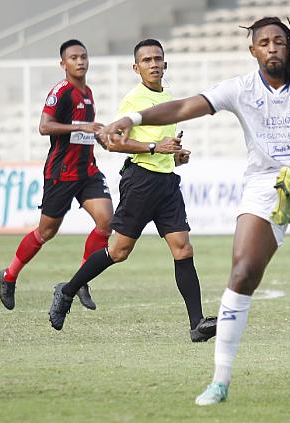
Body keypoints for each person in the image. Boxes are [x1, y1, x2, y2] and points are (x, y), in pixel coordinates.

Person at [51, 17, 290, 405]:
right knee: (239, 272)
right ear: (253, 51)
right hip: (250, 185)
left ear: (289, 45)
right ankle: (218, 379)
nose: (272, 47)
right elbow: (183, 108)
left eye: (278, 41)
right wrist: (131, 121)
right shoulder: (237, 89)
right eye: (263, 42)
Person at [47, 39, 217, 341]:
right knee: (119, 251)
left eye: (158, 59)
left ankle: (197, 325)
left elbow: (160, 148)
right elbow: (114, 142)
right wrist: (154, 147)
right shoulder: (133, 100)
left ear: (165, 64)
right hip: (140, 182)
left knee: (183, 248)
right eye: (147, 60)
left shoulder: (169, 97)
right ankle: (68, 290)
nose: (154, 64)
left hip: (166, 183)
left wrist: (174, 156)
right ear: (135, 67)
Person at [0, 39, 111, 311]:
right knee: (46, 232)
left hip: (88, 171)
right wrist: (82, 126)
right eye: (73, 57)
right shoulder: (61, 92)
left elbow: (83, 133)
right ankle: (9, 275)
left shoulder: (89, 92)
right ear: (63, 64)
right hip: (62, 173)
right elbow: (44, 127)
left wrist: (101, 136)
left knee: (107, 222)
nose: (80, 61)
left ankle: (82, 279)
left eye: (83, 56)